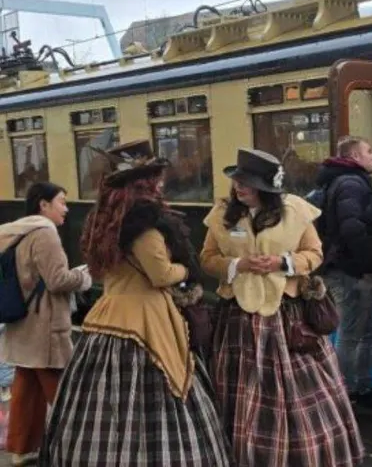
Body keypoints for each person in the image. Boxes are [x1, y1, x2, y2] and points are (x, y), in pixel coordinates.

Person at [39, 140, 231, 466]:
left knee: (97, 397)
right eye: (155, 178)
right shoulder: (143, 226)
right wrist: (187, 268)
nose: (160, 184)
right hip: (146, 317)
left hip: (108, 313)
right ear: (143, 183)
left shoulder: (106, 223)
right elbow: (160, 274)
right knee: (158, 393)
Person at [201, 147, 364, 466]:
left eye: (246, 182)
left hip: (286, 316)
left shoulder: (295, 212)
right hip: (237, 317)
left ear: (266, 186)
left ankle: (292, 456)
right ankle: (239, 452)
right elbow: (207, 259)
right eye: (237, 181)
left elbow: (315, 254)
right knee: (239, 392)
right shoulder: (222, 215)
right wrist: (238, 264)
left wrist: (283, 262)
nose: (239, 187)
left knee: (293, 393)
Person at [0, 182, 91, 466]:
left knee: (26, 391)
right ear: (43, 204)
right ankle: (80, 449)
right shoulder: (44, 234)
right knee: (66, 390)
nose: (66, 208)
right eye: (61, 202)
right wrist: (84, 276)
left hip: (23, 326)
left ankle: (21, 449)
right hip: (46, 329)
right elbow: (58, 280)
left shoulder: (17, 232)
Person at [316, 136, 372, 421]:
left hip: (354, 271)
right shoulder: (351, 183)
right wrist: (362, 265)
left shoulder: (347, 180)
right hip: (351, 272)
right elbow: (351, 228)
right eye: (369, 151)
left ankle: (364, 391)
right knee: (351, 334)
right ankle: (346, 396)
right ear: (354, 156)